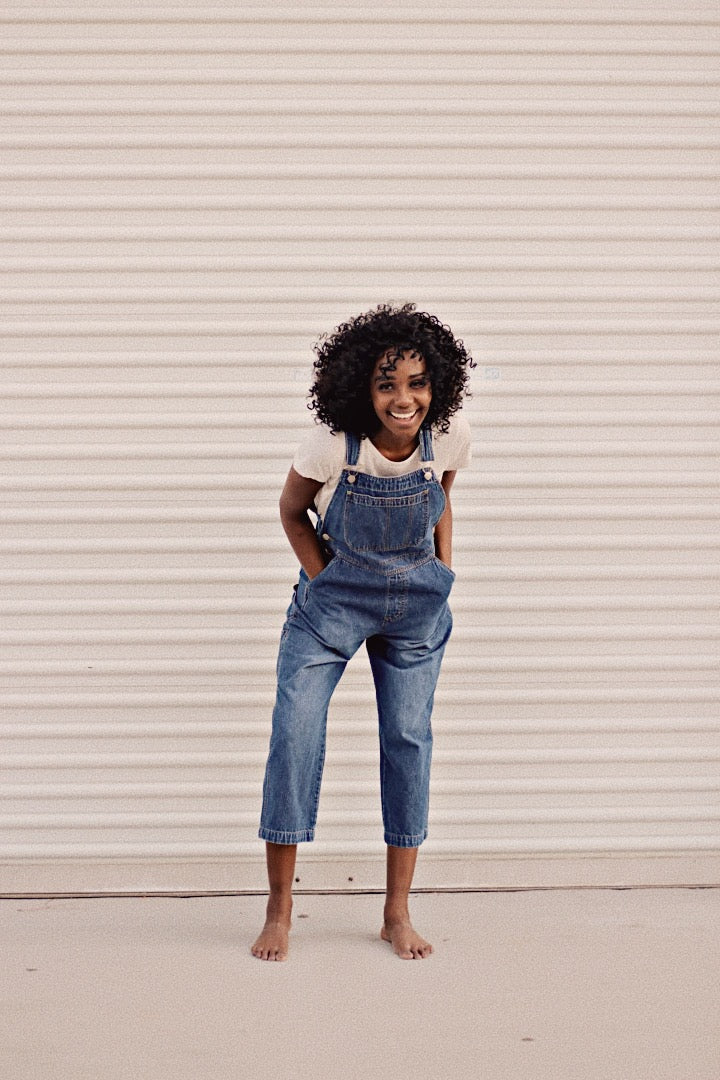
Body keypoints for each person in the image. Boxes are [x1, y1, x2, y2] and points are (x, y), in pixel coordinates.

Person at [251, 302, 474, 961]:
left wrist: (443, 569)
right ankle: (280, 908)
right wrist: (323, 579)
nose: (404, 399)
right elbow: (292, 513)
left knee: (408, 740)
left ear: (437, 383)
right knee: (294, 735)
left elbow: (443, 499)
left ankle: (396, 913)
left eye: (417, 382)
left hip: (416, 609)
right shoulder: (329, 444)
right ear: (361, 388)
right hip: (332, 607)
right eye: (386, 384)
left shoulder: (449, 437)